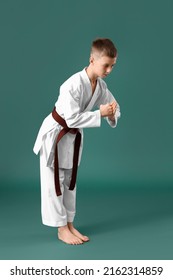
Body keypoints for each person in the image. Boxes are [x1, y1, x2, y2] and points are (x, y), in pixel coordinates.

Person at [33, 38, 121, 245]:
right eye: (105, 65)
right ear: (92, 59)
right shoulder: (72, 85)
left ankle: (70, 223)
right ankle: (61, 228)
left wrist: (111, 113)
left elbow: (114, 105)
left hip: (72, 137)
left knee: (70, 181)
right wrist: (100, 113)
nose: (108, 70)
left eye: (112, 66)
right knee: (53, 182)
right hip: (56, 135)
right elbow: (71, 118)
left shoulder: (100, 86)